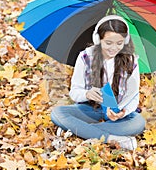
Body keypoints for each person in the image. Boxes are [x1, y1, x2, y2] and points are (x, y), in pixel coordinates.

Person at [51, 15, 146, 150]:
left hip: (116, 113)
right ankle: (112, 138)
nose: (114, 48)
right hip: (91, 109)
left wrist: (123, 112)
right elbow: (75, 92)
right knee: (57, 113)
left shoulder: (131, 61)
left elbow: (134, 96)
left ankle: (77, 131)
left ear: (125, 41)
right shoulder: (85, 57)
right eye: (108, 43)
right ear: (98, 39)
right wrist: (87, 94)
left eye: (119, 43)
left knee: (138, 122)